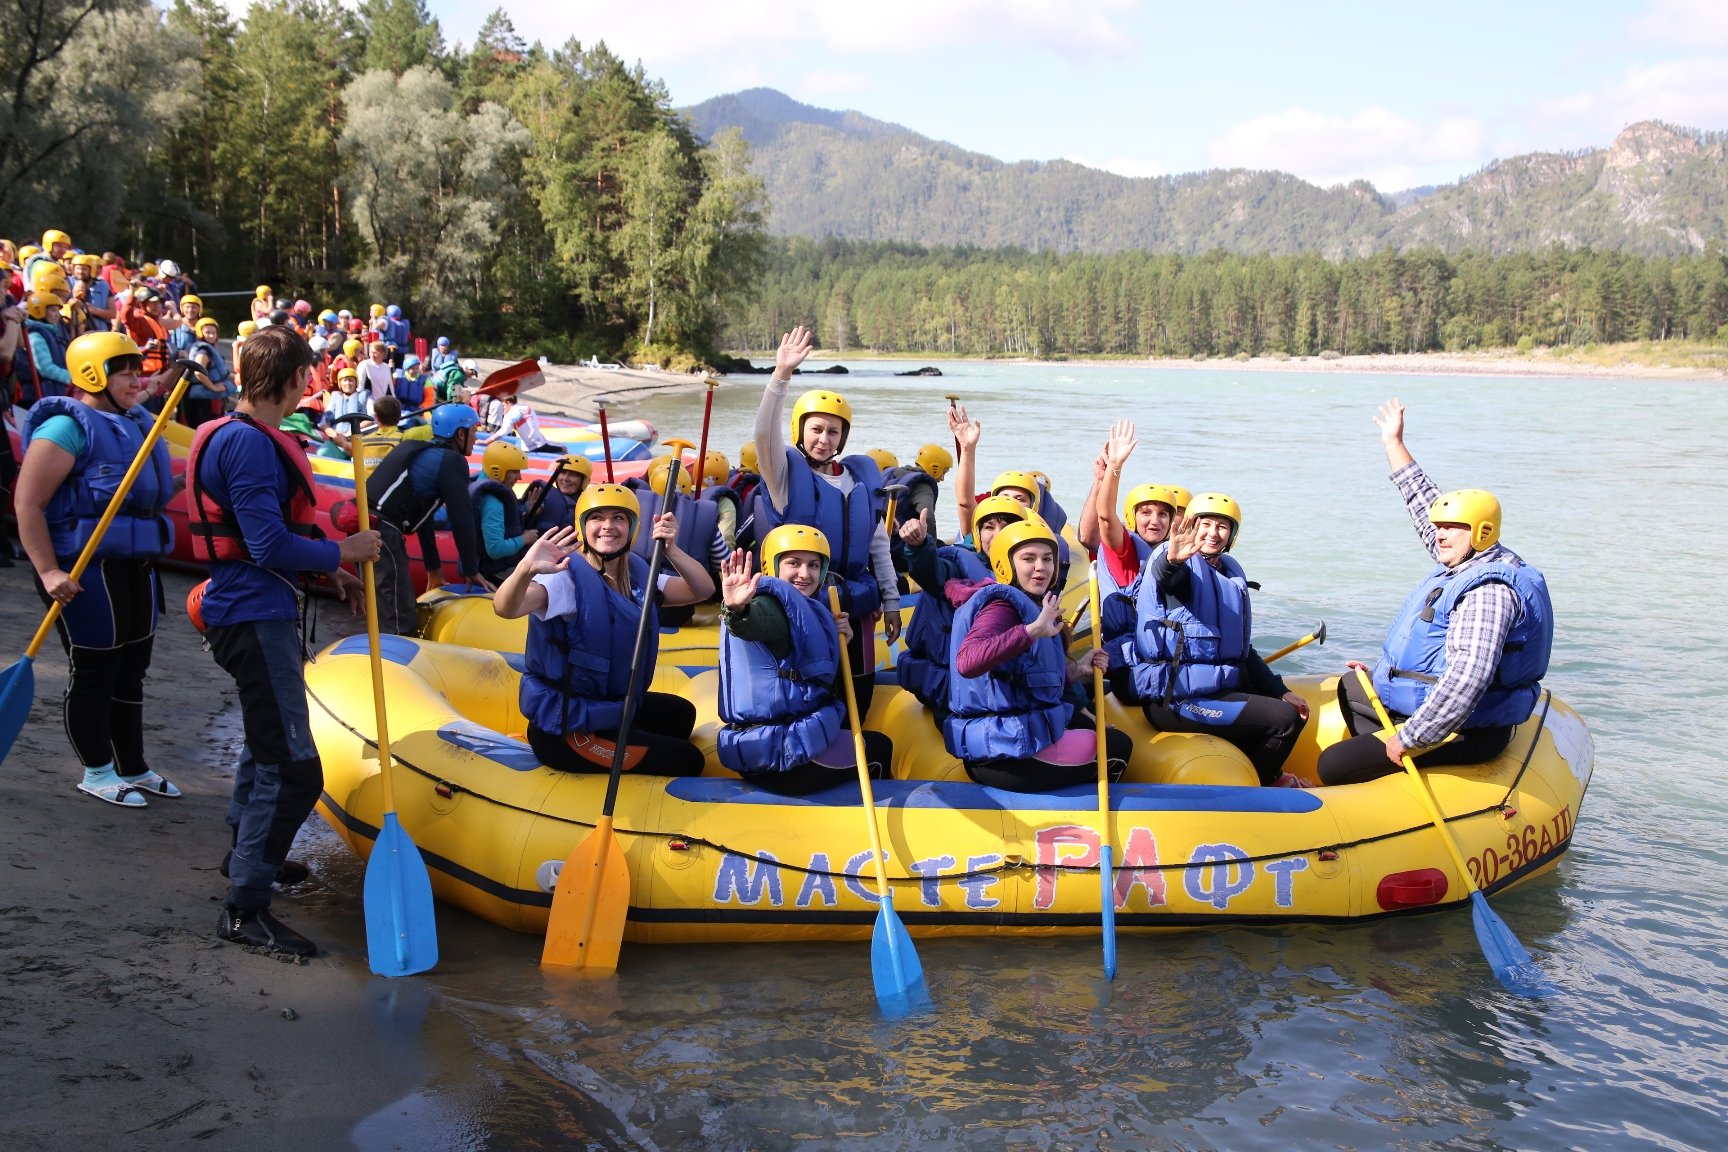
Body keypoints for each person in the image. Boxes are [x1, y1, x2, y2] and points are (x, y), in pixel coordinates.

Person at [185, 324, 380, 956]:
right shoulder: (246, 447)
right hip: (250, 614)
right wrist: (344, 546)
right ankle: (245, 907)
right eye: (308, 379)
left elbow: (262, 539)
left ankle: (244, 854)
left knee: (263, 744)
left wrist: (333, 569)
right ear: (296, 380)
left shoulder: (235, 434)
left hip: (251, 607)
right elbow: (267, 545)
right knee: (292, 768)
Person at [1316, 399, 1553, 787]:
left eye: (1450, 527)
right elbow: (1420, 498)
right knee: (1353, 687)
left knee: (1333, 765)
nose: (1438, 533)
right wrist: (1393, 443)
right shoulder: (1464, 556)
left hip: (1468, 725)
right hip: (1431, 704)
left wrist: (1410, 738)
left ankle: (1389, 779)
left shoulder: (1488, 592)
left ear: (1481, 533)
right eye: (1437, 526)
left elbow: (1467, 679)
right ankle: (1390, 771)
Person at [14, 332, 178, 807]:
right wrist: (47, 572)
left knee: (131, 670)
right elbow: (28, 503)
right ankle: (98, 770)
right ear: (93, 374)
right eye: (125, 371)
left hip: (136, 565)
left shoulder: (137, 421)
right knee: (96, 668)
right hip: (82, 570)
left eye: (136, 369)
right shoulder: (66, 427)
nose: (136, 379)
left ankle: (134, 766)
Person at [494, 485, 714, 777]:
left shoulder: (636, 574)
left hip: (605, 708)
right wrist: (524, 569)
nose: (608, 526)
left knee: (681, 714)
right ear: (583, 526)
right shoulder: (565, 579)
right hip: (568, 728)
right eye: (597, 517)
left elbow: (702, 589)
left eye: (618, 518)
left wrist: (672, 549)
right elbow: (506, 608)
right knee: (688, 760)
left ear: (633, 527)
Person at [752, 325, 901, 717]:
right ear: (800, 430)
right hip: (803, 601)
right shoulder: (783, 475)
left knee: (860, 704)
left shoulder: (859, 478)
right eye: (816, 429)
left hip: (855, 601)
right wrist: (780, 375)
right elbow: (763, 434)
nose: (824, 438)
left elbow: (877, 546)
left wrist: (891, 602)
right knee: (816, 699)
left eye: (833, 431)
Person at [1123, 494, 1310, 787]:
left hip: (1212, 688)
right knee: (1285, 720)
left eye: (1222, 526)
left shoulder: (1228, 574)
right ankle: (1261, 786)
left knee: (1288, 706)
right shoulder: (1179, 565)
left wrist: (1281, 690)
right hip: (1176, 697)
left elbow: (1241, 651)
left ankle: (1265, 773)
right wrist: (1172, 561)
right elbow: (1168, 576)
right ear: (1190, 527)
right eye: (1205, 524)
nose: (1212, 533)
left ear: (1232, 535)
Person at [945, 519, 1130, 792]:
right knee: (1119, 746)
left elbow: (1024, 673)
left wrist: (1076, 669)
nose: (1040, 567)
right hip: (1004, 753)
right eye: (1028, 559)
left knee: (1080, 721)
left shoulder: (1026, 603)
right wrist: (1032, 630)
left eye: (1047, 559)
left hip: (1009, 737)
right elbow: (968, 661)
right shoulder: (1000, 606)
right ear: (1004, 565)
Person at [717, 527, 893, 793]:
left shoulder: (800, 609)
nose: (804, 573)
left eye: (813, 565)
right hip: (781, 757)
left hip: (773, 745)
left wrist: (838, 642)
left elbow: (805, 676)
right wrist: (738, 610)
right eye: (793, 563)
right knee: (879, 747)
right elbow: (755, 622)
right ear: (772, 565)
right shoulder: (771, 606)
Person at [896, 491, 1031, 719]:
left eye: (1006, 527)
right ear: (977, 534)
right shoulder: (959, 564)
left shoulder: (1030, 570)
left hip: (1000, 682)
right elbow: (933, 573)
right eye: (989, 527)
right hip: (953, 686)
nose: (997, 535)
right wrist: (919, 546)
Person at [1075, 420, 1183, 687]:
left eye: (1162, 514)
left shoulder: (1177, 555)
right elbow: (1101, 520)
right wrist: (1112, 470)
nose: (1155, 521)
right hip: (1126, 659)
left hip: (1164, 656)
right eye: (1146, 513)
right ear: (1132, 518)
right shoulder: (1125, 549)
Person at [366, 402, 490, 628]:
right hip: (382, 532)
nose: (476, 437)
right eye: (473, 431)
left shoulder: (426, 451)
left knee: (387, 608)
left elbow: (424, 518)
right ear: (460, 434)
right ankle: (392, 660)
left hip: (371, 528)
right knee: (398, 616)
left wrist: (433, 568)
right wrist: (471, 570)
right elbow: (462, 518)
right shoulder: (452, 461)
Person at [471, 441, 540, 583]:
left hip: (487, 568)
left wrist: (526, 509)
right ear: (498, 470)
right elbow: (495, 549)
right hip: (496, 573)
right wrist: (525, 539)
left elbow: (503, 523)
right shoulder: (493, 503)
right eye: (514, 471)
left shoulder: (481, 481)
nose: (519, 477)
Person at [523, 453, 591, 533]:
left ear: (584, 481)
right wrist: (530, 513)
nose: (565, 479)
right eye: (562, 473)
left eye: (573, 475)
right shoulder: (541, 498)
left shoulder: (589, 506)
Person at [478, 392, 555, 452]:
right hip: (541, 443)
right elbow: (534, 426)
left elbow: (503, 431)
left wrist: (486, 441)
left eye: (503, 405)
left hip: (531, 448)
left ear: (508, 403)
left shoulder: (511, 414)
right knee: (563, 448)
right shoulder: (527, 408)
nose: (503, 409)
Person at [358, 335, 394, 404]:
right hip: (368, 401)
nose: (372, 354)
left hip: (382, 402)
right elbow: (360, 385)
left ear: (382, 353)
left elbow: (391, 387)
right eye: (370, 352)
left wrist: (393, 399)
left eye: (375, 352)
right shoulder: (364, 364)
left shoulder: (386, 367)